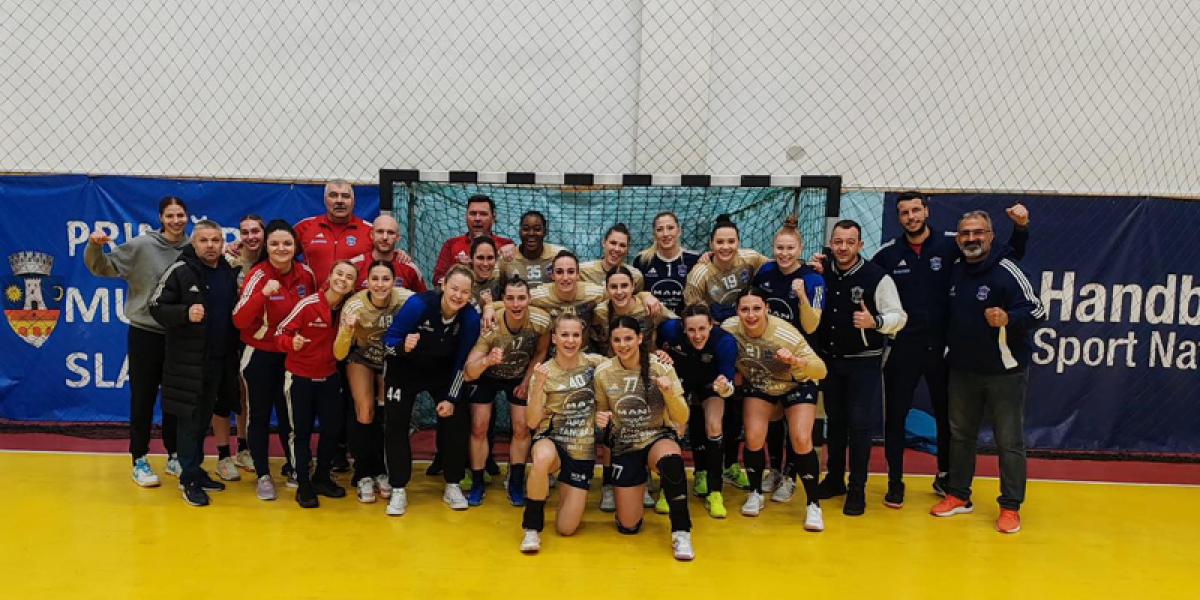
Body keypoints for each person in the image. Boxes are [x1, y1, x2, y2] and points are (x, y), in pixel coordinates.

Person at [871, 191, 1029, 507]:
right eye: (904, 212)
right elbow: (862, 277)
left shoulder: (951, 244)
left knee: (948, 419)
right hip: (903, 349)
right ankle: (895, 481)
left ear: (926, 212)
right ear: (898, 217)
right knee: (895, 418)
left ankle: (945, 477)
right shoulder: (888, 253)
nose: (911, 217)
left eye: (916, 210)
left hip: (944, 350)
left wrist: (1021, 227)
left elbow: (1007, 254)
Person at [930, 210, 1045, 534]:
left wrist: (1009, 318)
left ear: (991, 236)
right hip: (962, 369)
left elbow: (1038, 310)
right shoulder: (955, 269)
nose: (971, 239)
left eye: (978, 232)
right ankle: (958, 495)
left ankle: (1010, 506)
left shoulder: (1007, 270)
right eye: (965, 233)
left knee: (1009, 441)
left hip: (1004, 372)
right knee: (961, 435)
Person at [84, 196, 190, 486]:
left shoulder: (193, 249)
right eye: (170, 215)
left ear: (187, 217)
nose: (176, 220)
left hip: (180, 335)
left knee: (175, 400)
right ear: (161, 218)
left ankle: (175, 455)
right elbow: (102, 267)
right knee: (143, 397)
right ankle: (139, 459)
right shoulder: (142, 245)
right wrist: (94, 246)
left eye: (180, 215)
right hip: (145, 333)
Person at [815, 220, 907, 516]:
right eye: (838, 241)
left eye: (850, 242)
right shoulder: (822, 271)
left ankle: (857, 489)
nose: (843, 247)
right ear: (831, 243)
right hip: (831, 361)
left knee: (860, 425)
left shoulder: (877, 277)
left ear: (860, 245)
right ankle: (834, 479)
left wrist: (875, 322)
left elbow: (899, 317)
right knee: (835, 422)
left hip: (864, 362)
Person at [148, 220, 240, 506]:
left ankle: (196, 470)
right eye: (204, 240)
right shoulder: (180, 269)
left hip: (219, 359)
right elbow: (155, 306)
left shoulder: (227, 271)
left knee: (203, 420)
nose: (210, 245)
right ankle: (188, 479)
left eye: (215, 240)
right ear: (194, 243)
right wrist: (185, 313)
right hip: (188, 362)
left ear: (222, 243)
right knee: (189, 420)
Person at [722, 288, 828, 529]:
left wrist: (796, 361)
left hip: (796, 384)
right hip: (761, 386)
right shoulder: (729, 329)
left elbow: (821, 370)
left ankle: (813, 505)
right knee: (753, 437)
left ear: (767, 309)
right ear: (737, 311)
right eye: (745, 309)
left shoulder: (785, 334)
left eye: (757, 309)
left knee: (801, 439)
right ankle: (755, 493)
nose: (751, 315)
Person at [381, 265, 481, 515]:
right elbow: (388, 343)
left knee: (456, 419)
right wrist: (403, 346)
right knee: (396, 423)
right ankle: (398, 488)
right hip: (404, 368)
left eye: (465, 292)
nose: (458, 295)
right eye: (454, 288)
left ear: (470, 295)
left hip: (442, 372)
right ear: (443, 285)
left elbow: (462, 363)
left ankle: (453, 484)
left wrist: (451, 398)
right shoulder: (419, 305)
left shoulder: (470, 319)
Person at [594, 316, 694, 561]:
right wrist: (601, 420)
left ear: (640, 339)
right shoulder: (603, 373)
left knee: (672, 461)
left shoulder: (660, 367)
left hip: (656, 436)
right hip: (625, 444)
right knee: (629, 525)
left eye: (628, 338)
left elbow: (682, 416)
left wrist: (669, 393)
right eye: (617, 340)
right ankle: (634, 493)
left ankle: (681, 532)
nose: (623, 345)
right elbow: (602, 414)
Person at [683, 214, 769, 490]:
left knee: (735, 407)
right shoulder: (700, 274)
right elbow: (693, 314)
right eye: (720, 242)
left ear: (738, 242)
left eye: (731, 241)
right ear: (711, 244)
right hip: (713, 341)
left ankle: (731, 464)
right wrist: (713, 336)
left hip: (745, 340)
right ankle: (702, 470)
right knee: (707, 406)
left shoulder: (751, 259)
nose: (725, 247)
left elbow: (778, 269)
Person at [232, 220, 317, 500]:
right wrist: (262, 295)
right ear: (266, 247)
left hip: (292, 354)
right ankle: (263, 475)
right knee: (259, 415)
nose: (281, 248)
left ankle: (295, 468)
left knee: (291, 415)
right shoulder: (258, 275)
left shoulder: (306, 275)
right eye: (275, 243)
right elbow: (239, 320)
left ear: (295, 247)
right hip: (260, 354)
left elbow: (313, 310)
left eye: (287, 243)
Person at [751, 215, 825, 499]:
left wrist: (802, 296)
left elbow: (812, 326)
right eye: (780, 248)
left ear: (800, 249)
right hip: (769, 360)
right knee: (772, 419)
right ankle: (774, 470)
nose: (784, 253)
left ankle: (791, 476)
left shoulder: (813, 279)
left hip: (799, 362)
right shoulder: (766, 272)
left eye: (790, 248)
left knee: (796, 427)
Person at [519, 314, 606, 553]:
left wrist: (659, 358)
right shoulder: (543, 372)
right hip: (552, 440)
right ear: (554, 338)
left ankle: (562, 489)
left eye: (575, 335)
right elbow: (532, 422)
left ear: (582, 338)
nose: (570, 340)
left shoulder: (595, 364)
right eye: (564, 335)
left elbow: (629, 362)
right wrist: (538, 386)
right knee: (541, 459)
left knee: (566, 529)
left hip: (581, 450)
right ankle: (532, 527)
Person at [274, 260, 359, 508]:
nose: (343, 280)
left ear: (354, 284)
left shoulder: (350, 310)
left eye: (349, 277)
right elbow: (280, 333)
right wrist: (292, 343)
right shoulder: (308, 304)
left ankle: (322, 477)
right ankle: (303, 483)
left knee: (332, 429)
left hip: (330, 377)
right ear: (330, 276)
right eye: (339, 274)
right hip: (300, 378)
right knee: (300, 432)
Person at [463, 276, 551, 507]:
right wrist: (487, 361)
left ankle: (516, 482)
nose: (516, 304)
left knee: (522, 426)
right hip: (488, 376)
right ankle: (478, 482)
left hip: (519, 375)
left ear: (529, 299)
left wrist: (527, 380)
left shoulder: (541, 321)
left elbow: (541, 352)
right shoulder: (490, 325)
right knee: (479, 425)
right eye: (510, 298)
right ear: (503, 300)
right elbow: (468, 373)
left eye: (521, 298)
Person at [335, 261, 414, 503]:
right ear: (367, 282)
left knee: (387, 411)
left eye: (386, 279)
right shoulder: (355, 305)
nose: (380, 284)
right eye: (375, 279)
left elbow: (432, 307)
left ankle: (382, 470)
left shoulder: (406, 300)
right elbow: (339, 353)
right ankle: (363, 473)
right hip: (362, 357)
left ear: (394, 281)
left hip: (391, 358)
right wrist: (347, 330)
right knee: (365, 411)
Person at [658, 304, 738, 519]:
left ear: (711, 325)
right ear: (683, 328)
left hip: (711, 384)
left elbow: (729, 386)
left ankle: (715, 492)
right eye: (691, 330)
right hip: (681, 382)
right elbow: (652, 347)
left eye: (702, 329)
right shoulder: (669, 330)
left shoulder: (725, 342)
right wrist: (658, 353)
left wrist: (724, 386)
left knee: (714, 425)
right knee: (677, 426)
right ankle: (668, 490)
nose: (697, 335)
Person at [227, 214, 266, 472]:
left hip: (264, 336)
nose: (251, 236)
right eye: (245, 232)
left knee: (258, 394)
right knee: (239, 392)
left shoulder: (274, 258)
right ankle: (242, 448)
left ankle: (254, 446)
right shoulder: (230, 260)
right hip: (234, 333)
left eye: (256, 231)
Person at [294, 180, 373, 286]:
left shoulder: (370, 231)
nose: (339, 201)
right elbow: (282, 255)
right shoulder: (305, 227)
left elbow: (386, 259)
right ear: (325, 200)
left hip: (355, 296)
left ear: (354, 201)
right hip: (314, 295)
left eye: (345, 196)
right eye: (333, 195)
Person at [432, 194, 514, 286]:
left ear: (493, 218)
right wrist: (458, 271)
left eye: (483, 214)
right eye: (473, 213)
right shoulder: (451, 245)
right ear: (466, 217)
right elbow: (437, 279)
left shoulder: (506, 245)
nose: (477, 218)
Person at [591, 265, 676, 352]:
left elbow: (676, 324)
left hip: (648, 356)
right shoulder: (600, 312)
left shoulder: (648, 307)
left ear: (633, 286)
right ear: (607, 289)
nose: (619, 292)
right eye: (613, 287)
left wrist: (663, 353)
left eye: (624, 286)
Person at [632, 211, 701, 314]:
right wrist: (644, 296)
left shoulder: (694, 259)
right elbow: (632, 294)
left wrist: (710, 256)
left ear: (679, 231)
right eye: (660, 229)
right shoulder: (642, 260)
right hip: (651, 319)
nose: (665, 234)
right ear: (654, 234)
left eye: (670, 228)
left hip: (685, 320)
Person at [355, 214, 427, 293]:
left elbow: (423, 299)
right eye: (380, 232)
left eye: (390, 232)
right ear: (372, 235)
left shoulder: (410, 269)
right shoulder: (356, 266)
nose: (385, 237)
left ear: (397, 238)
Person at [496, 211, 563, 287]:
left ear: (545, 232)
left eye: (537, 229)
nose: (531, 233)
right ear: (519, 232)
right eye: (526, 229)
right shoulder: (506, 259)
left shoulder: (558, 256)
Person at [578, 223, 644, 290]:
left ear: (627, 249)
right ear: (604, 243)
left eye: (622, 245)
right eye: (613, 243)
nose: (617, 249)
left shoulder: (635, 277)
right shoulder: (583, 272)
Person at [467, 236, 499, 309]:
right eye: (480, 258)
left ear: (496, 259)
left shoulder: (499, 277)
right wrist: (480, 306)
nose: (485, 264)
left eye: (490, 258)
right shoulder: (464, 283)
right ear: (471, 259)